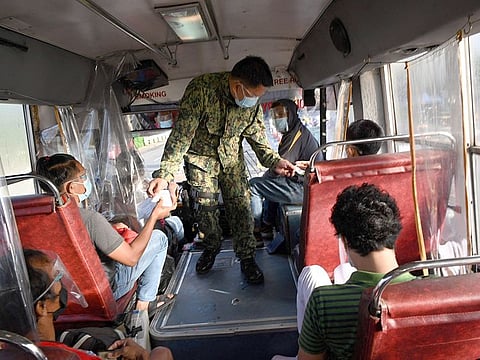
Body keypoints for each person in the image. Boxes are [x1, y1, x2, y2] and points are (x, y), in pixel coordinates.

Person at [147, 55, 296, 284]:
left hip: (231, 162)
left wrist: (275, 161)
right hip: (200, 161)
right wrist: (165, 174)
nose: (254, 102)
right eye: (253, 96)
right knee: (205, 209)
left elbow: (258, 141)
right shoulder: (202, 90)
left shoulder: (251, 106)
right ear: (238, 87)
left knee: (242, 207)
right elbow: (182, 135)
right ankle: (211, 248)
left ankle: (246, 257)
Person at [272, 184, 416, 360]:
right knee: (343, 270)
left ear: (346, 242)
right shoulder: (436, 290)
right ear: (394, 233)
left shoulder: (323, 302)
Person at [36, 153, 181, 313]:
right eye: (83, 177)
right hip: (107, 291)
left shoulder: (39, 220)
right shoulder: (89, 219)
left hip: (64, 293)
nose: (86, 180)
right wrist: (154, 216)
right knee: (159, 238)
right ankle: (144, 305)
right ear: (72, 187)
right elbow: (131, 258)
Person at [24, 249, 174, 360]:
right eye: (56, 278)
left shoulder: (12, 347)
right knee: (161, 353)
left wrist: (110, 355)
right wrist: (144, 356)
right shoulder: (63, 354)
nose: (61, 280)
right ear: (42, 307)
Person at [249, 99, 319, 241]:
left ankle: (255, 232)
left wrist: (264, 179)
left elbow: (277, 168)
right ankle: (267, 225)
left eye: (281, 114)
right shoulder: (296, 132)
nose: (277, 119)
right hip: (303, 185)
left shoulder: (296, 136)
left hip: (304, 189)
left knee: (254, 185)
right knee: (271, 182)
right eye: (275, 115)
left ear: (291, 114)